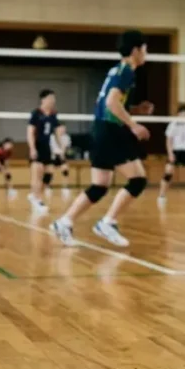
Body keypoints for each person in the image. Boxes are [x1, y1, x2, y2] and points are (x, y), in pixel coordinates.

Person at [50, 30, 152, 247]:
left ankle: (64, 222)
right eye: (144, 48)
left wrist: (135, 109)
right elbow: (111, 104)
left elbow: (114, 103)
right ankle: (108, 222)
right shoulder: (127, 72)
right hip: (111, 131)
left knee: (99, 185)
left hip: (101, 130)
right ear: (136, 50)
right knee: (138, 180)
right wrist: (134, 125)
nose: (146, 53)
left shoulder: (117, 70)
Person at [27, 90, 65, 214]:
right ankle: (38, 200)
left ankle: (36, 196)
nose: (52, 101)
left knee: (49, 174)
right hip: (37, 146)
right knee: (37, 174)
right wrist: (32, 148)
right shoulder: (36, 113)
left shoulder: (53, 114)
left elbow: (58, 131)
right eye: (50, 98)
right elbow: (30, 132)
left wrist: (61, 148)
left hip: (47, 148)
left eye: (53, 99)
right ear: (43, 100)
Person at [157, 105, 185, 206]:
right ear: (179, 114)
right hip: (175, 151)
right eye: (184, 114)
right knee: (168, 174)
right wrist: (170, 153)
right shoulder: (173, 124)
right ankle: (161, 195)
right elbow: (169, 140)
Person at [49, 129, 73, 198]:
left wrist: (64, 154)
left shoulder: (66, 137)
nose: (63, 130)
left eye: (64, 128)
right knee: (50, 171)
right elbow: (50, 147)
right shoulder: (52, 137)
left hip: (62, 156)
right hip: (53, 156)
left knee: (65, 170)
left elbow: (67, 147)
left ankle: (65, 186)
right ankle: (48, 186)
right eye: (61, 128)